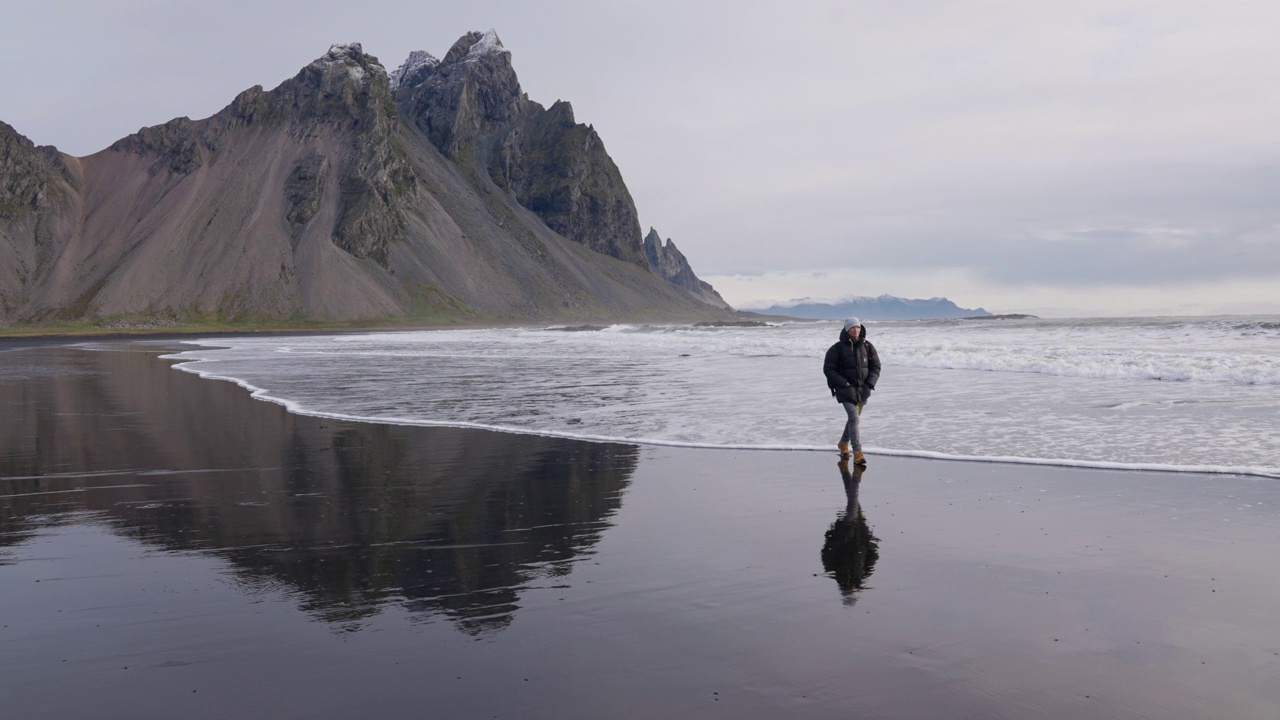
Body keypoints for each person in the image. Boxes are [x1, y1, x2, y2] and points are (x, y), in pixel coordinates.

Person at [822, 317, 880, 464]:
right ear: (847, 330)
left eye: (858, 327)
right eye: (852, 327)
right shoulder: (837, 348)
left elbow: (876, 367)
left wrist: (869, 385)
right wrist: (844, 383)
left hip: (863, 390)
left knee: (853, 419)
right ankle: (857, 452)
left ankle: (843, 443)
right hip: (845, 389)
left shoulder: (867, 346)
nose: (856, 330)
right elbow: (828, 369)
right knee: (854, 418)